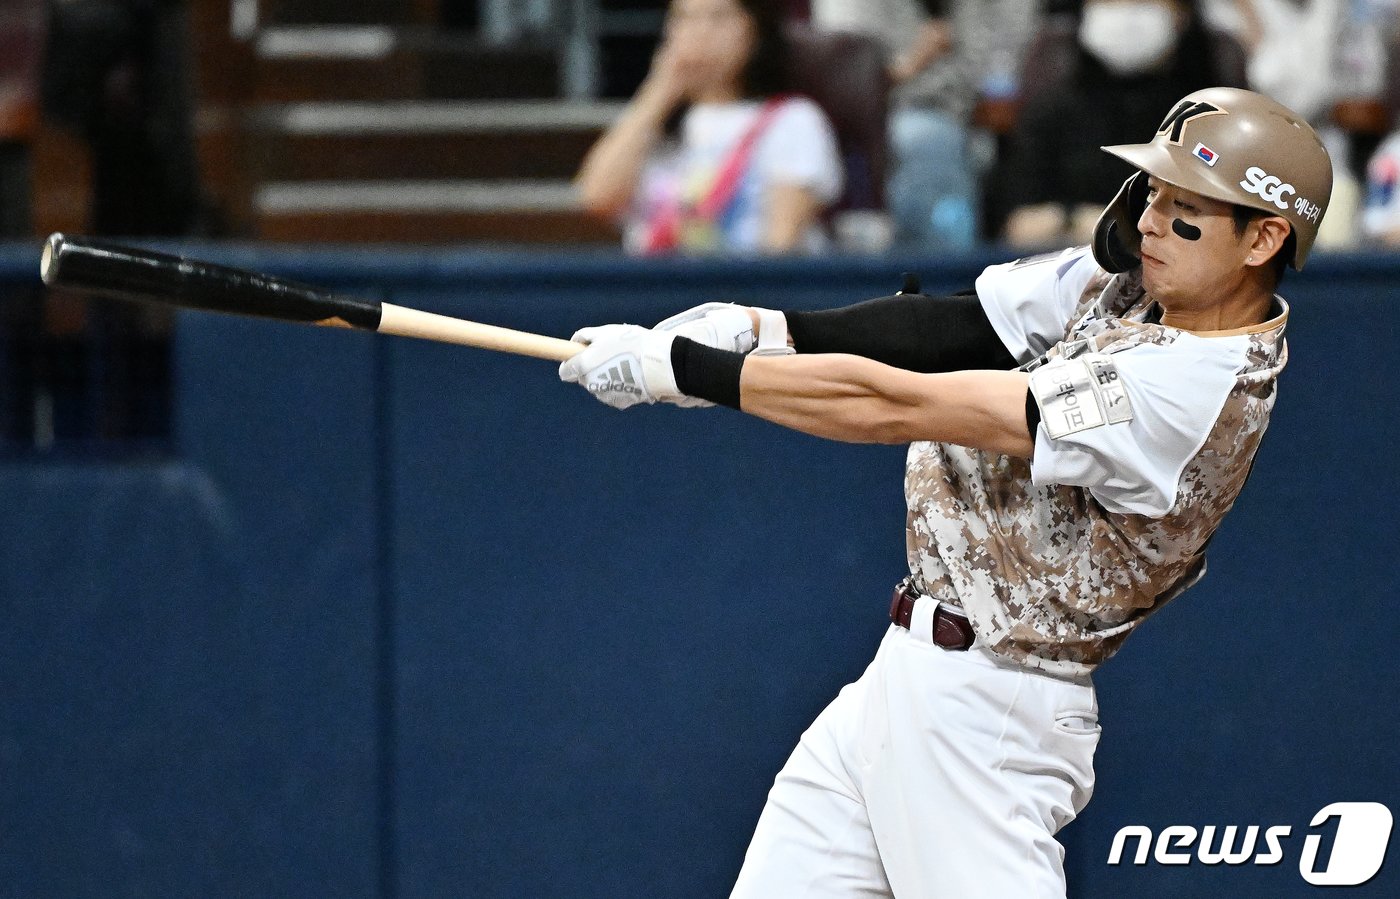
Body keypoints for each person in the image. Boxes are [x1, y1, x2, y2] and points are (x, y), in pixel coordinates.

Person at [557, 85, 1331, 897]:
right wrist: (764, 329)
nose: (1146, 221)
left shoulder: (1198, 386)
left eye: (1185, 211)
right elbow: (954, 328)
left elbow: (900, 403)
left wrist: (695, 374)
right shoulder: (1139, 288)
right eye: (1153, 194)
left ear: (1264, 237)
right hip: (904, 679)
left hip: (991, 711)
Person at [575, 0, 844, 256]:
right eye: (685, 18)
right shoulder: (655, 126)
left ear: (755, 30)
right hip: (658, 294)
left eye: (718, 17)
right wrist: (659, 92)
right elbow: (599, 197)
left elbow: (781, 246)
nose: (700, 33)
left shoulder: (793, 120)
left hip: (743, 296)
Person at [1000, 0, 1242, 248]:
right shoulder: (1050, 111)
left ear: (1181, 13)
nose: (1127, 12)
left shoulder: (1215, 113)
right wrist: (1073, 219)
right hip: (1078, 262)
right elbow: (1020, 224)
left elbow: (1231, 223)